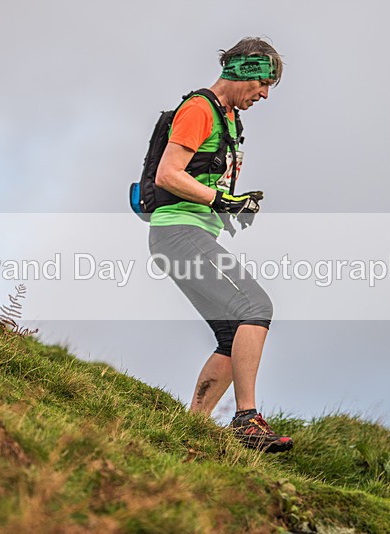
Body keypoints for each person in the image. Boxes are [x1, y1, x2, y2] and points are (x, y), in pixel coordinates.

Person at [148, 37, 292, 453]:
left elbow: (202, 179)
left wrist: (229, 207)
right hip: (177, 234)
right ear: (245, 71)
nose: (264, 94)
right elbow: (167, 174)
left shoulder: (230, 119)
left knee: (232, 336)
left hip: (185, 235)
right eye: (263, 83)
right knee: (256, 307)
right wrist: (219, 199)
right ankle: (247, 420)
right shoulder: (200, 109)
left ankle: (192, 428)